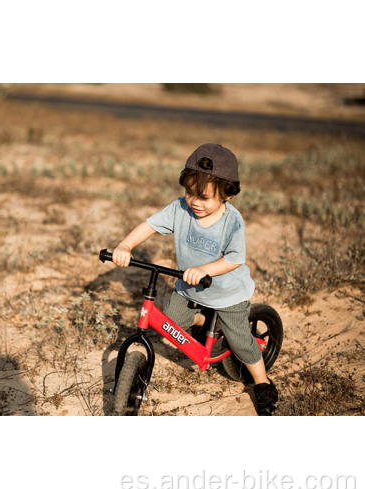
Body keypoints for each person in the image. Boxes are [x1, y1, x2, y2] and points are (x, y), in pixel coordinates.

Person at [112, 143, 278, 416]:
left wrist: (205, 270)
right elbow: (150, 225)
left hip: (227, 293)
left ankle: (262, 382)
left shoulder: (232, 222)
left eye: (204, 197)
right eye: (190, 193)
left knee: (240, 342)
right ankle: (204, 319)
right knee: (170, 325)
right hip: (190, 288)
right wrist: (125, 246)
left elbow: (235, 258)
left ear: (227, 195)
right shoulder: (180, 209)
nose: (195, 202)